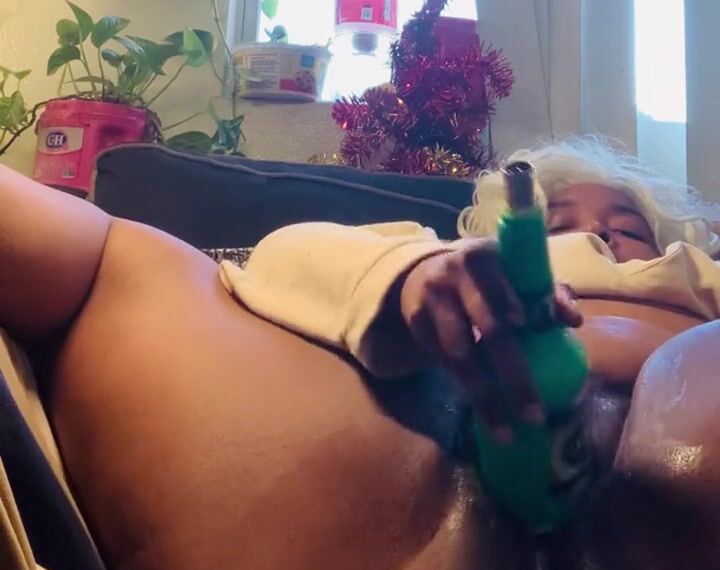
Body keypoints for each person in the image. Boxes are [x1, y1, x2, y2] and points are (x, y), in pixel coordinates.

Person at [220, 135, 720, 439]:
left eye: (629, 228)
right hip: (484, 444)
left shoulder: (697, 275)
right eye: (557, 226)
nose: (595, 234)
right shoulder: (455, 262)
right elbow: (280, 253)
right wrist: (410, 276)